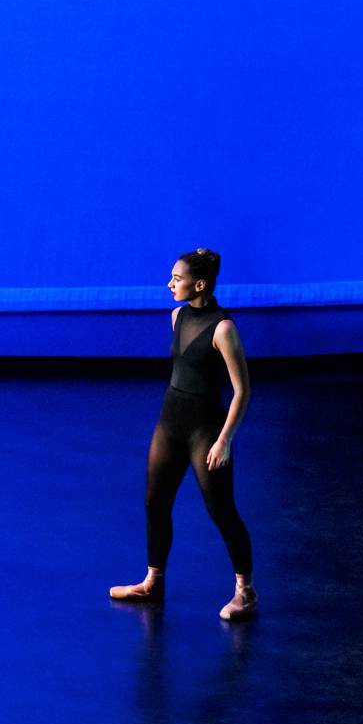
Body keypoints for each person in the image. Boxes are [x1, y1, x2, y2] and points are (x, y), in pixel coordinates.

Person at [110, 248, 257, 620]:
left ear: (200, 284)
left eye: (177, 279)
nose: (169, 284)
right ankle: (153, 582)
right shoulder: (176, 316)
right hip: (170, 422)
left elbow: (242, 391)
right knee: (155, 502)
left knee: (221, 510)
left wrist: (224, 439)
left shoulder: (223, 329)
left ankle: (245, 592)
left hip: (205, 430)